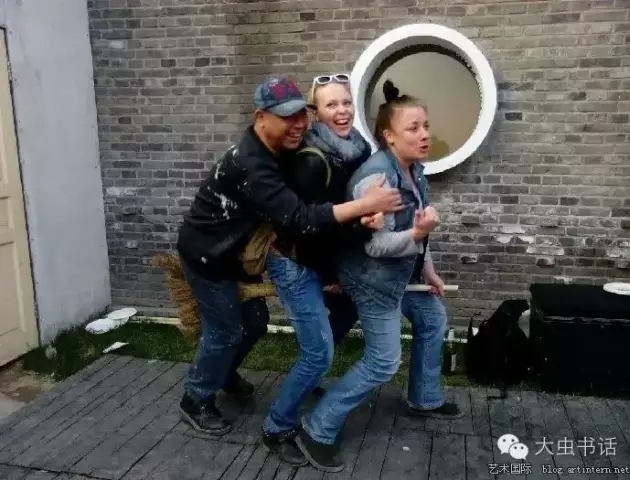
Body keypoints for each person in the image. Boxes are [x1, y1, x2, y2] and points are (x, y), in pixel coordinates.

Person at [175, 76, 403, 457]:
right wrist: (364, 206)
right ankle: (195, 397)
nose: (298, 124)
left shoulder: (286, 147)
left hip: (239, 251)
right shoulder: (250, 164)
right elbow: (300, 218)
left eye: (301, 114)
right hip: (208, 255)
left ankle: (224, 374)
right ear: (260, 117)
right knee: (226, 331)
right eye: (286, 117)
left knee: (255, 321)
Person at [294, 80, 462, 473]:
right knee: (384, 360)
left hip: (400, 271)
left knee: (432, 318)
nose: (424, 135)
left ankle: (424, 398)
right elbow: (378, 246)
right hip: (371, 279)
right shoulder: (376, 180)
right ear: (389, 136)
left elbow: (418, 227)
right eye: (413, 128)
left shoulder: (414, 169)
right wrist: (418, 234)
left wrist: (429, 269)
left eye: (426, 126)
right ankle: (317, 428)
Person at [260, 73, 383, 462]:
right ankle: (276, 427)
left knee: (345, 312)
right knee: (319, 353)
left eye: (346, 102)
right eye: (332, 104)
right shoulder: (311, 161)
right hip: (295, 260)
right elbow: (305, 226)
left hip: (324, 256)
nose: (342, 111)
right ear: (316, 113)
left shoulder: (357, 148)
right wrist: (332, 272)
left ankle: (309, 373)